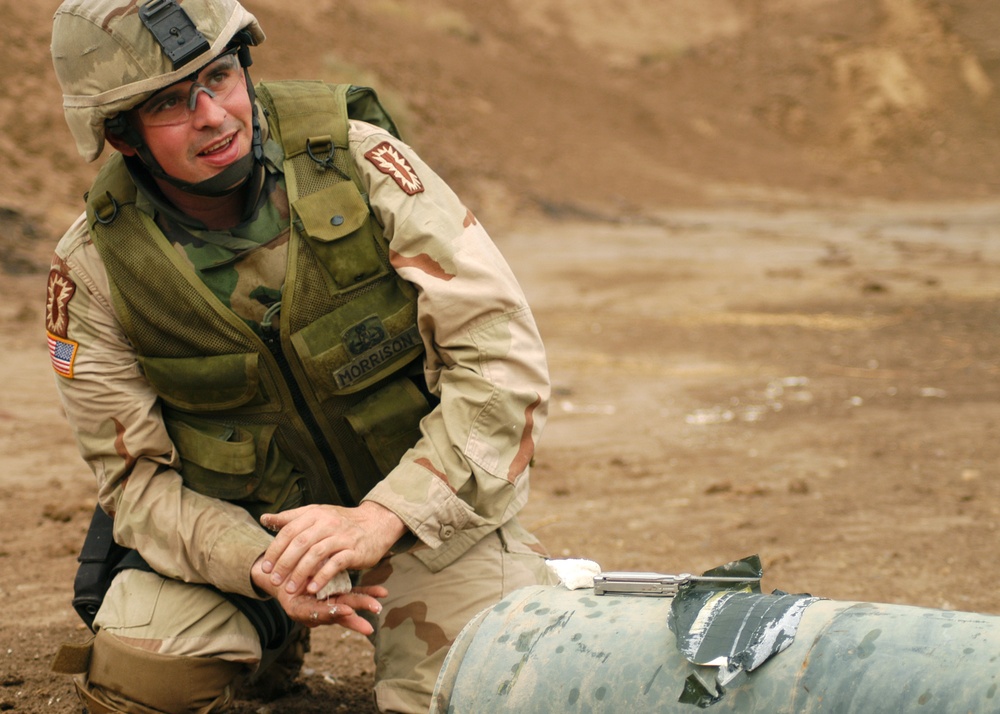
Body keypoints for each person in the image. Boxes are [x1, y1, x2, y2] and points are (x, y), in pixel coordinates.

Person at [46, 0, 556, 711]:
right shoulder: (95, 271)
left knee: (477, 690)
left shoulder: (361, 162)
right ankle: (268, 633)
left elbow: (499, 365)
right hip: (252, 539)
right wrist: (257, 563)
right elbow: (134, 486)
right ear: (122, 135)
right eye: (169, 102)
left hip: (421, 518)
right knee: (139, 684)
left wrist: (381, 518)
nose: (214, 115)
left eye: (219, 78)